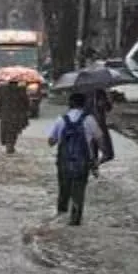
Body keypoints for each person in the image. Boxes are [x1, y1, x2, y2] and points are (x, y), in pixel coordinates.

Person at [48, 93, 103, 226]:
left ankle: (60, 216)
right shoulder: (90, 120)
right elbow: (100, 140)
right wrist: (97, 161)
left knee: (63, 189)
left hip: (64, 163)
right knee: (78, 192)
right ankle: (75, 219)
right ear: (84, 105)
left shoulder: (61, 120)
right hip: (82, 163)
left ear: (70, 104)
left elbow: (51, 142)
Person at [0, 80, 31, 154]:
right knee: (14, 130)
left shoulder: (3, 89)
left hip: (6, 113)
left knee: (7, 129)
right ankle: (10, 145)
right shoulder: (21, 90)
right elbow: (26, 102)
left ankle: (8, 145)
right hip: (16, 113)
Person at [86, 87, 115, 168]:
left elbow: (108, 107)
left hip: (90, 126)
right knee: (108, 154)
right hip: (99, 126)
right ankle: (94, 166)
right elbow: (108, 107)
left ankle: (93, 167)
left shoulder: (85, 92)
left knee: (94, 155)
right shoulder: (99, 91)